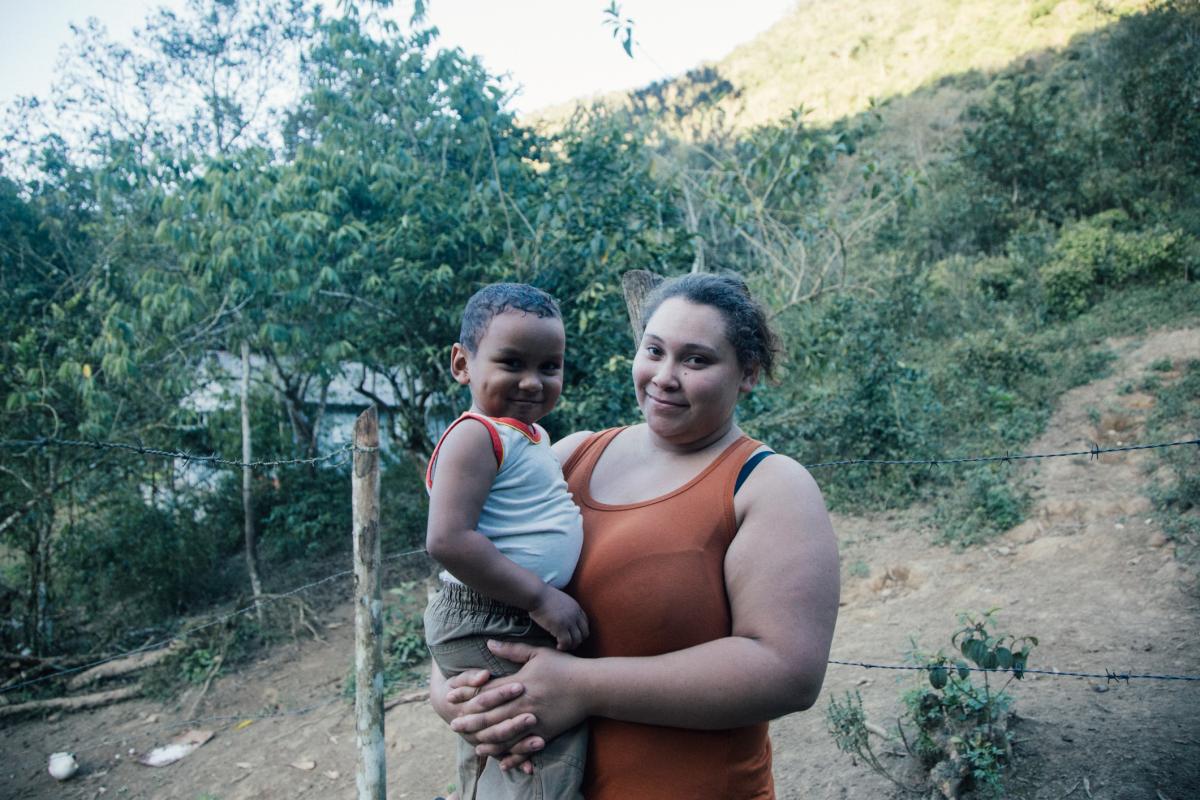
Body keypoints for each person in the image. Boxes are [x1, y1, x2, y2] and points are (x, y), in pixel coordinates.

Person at [430, 272, 841, 799]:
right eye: (654, 351)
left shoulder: (768, 486)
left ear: (748, 373)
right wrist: (451, 693)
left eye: (696, 360)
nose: (665, 376)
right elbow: (466, 587)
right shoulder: (566, 457)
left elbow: (788, 673)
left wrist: (581, 687)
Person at [422, 282, 589, 800]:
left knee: (502, 737)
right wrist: (540, 597)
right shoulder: (476, 435)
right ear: (461, 364)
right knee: (537, 739)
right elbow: (447, 540)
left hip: (503, 610)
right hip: (492, 613)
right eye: (512, 363)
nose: (533, 382)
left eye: (550, 366)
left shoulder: (528, 436)